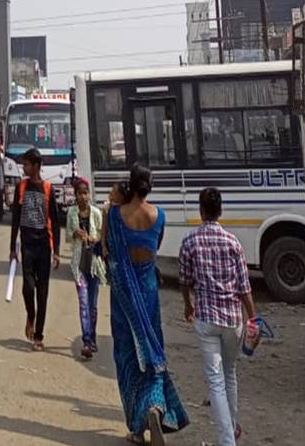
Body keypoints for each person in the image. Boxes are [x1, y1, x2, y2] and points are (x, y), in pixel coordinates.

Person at [104, 164, 189, 445]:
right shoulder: (159, 216)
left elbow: (107, 251)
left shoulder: (115, 216)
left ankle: (139, 426)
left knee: (128, 356)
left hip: (123, 297)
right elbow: (155, 248)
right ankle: (154, 407)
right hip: (148, 290)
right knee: (152, 352)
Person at [179, 187, 255, 446]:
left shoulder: (190, 241)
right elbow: (244, 287)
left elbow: (184, 280)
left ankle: (226, 440)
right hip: (233, 319)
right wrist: (253, 318)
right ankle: (231, 428)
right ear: (220, 211)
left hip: (206, 319)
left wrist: (188, 306)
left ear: (201, 211)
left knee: (215, 381)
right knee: (229, 373)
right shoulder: (233, 242)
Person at [9, 148, 61, 350]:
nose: (24, 168)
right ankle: (30, 315)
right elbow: (15, 220)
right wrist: (13, 247)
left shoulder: (48, 188)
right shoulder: (21, 187)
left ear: (37, 166)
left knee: (43, 292)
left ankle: (39, 335)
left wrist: (56, 250)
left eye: (27, 164)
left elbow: (55, 222)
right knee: (28, 288)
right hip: (27, 246)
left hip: (44, 246)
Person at [67, 177, 106, 358]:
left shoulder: (97, 213)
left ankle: (93, 337)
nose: (83, 197)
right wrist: (75, 233)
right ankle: (87, 341)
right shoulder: (71, 213)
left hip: (95, 265)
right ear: (75, 195)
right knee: (83, 303)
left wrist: (93, 238)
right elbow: (67, 235)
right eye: (80, 193)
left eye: (85, 193)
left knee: (92, 304)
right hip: (79, 264)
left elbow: (101, 236)